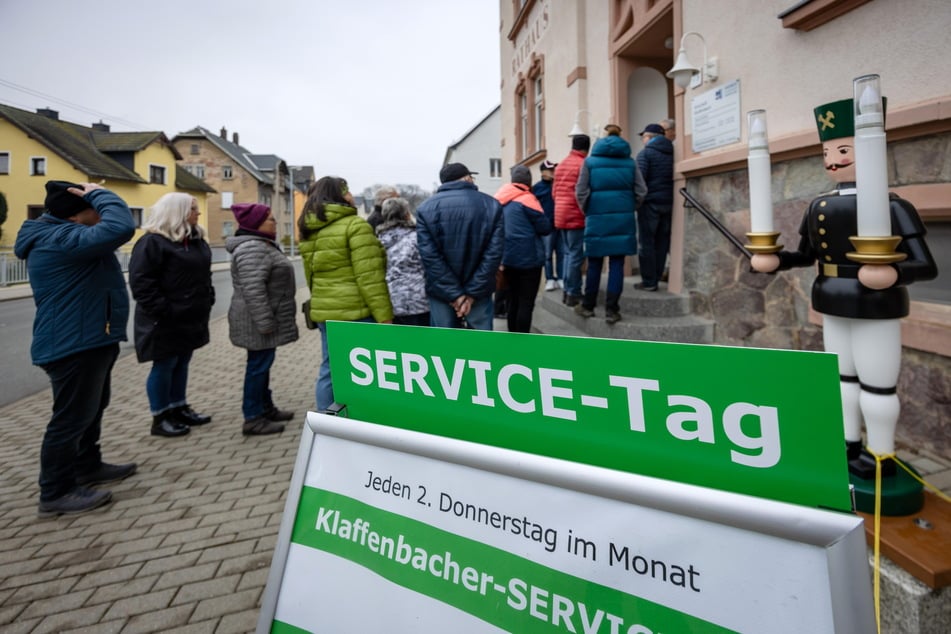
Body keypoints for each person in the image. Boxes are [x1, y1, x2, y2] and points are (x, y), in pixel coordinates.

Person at [751, 96, 937, 481]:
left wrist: (894, 274)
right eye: (826, 151)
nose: (833, 159)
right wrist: (775, 259)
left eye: (843, 149)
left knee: (878, 384)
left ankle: (881, 453)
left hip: (876, 304)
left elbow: (925, 264)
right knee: (843, 378)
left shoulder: (893, 206)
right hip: (832, 299)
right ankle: (848, 442)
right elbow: (806, 255)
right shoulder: (819, 205)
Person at [14, 181, 137, 517]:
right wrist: (99, 192)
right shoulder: (59, 239)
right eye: (93, 206)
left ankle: (87, 465)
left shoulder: (69, 234)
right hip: (72, 343)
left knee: (92, 409)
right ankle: (55, 492)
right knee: (70, 419)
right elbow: (122, 226)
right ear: (76, 213)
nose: (99, 212)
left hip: (92, 337)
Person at [299, 176, 393, 412]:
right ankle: (367, 418)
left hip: (325, 312)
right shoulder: (355, 226)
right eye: (347, 190)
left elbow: (310, 276)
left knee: (330, 367)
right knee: (368, 369)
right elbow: (369, 277)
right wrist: (385, 317)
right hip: (357, 313)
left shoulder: (308, 230)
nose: (352, 195)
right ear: (339, 195)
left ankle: (326, 424)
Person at [129, 193, 214, 438]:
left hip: (190, 316)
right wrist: (165, 310)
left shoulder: (195, 240)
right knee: (164, 364)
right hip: (164, 319)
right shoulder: (152, 243)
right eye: (193, 209)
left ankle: (179, 406)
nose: (198, 213)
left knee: (182, 361)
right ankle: (161, 416)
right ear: (177, 213)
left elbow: (203, 275)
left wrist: (208, 297)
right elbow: (142, 284)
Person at [226, 203, 299, 435]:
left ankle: (265, 408)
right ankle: (253, 417)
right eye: (270, 219)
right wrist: (265, 323)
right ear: (255, 224)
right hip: (256, 321)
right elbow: (254, 291)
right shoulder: (252, 249)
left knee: (262, 365)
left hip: (260, 319)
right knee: (257, 367)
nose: (275, 222)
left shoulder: (261, 245)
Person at [416, 162, 504, 330]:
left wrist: (456, 295)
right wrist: (469, 295)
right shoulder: (491, 205)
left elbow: (430, 257)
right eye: (472, 177)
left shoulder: (425, 209)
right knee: (482, 350)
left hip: (441, 292)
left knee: (444, 350)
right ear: (466, 178)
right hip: (479, 291)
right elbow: (493, 254)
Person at [574, 124, 647, 324]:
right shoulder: (630, 163)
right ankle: (612, 310)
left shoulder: (590, 162)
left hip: (596, 218)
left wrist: (588, 210)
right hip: (622, 219)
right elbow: (641, 191)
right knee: (617, 264)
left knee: (595, 263)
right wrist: (629, 207)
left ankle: (588, 306)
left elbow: (580, 191)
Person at [495, 165, 552, 333]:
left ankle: (512, 338)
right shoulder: (528, 199)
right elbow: (545, 227)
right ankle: (524, 343)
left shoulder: (499, 199)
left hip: (507, 259)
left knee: (512, 300)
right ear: (528, 181)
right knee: (526, 303)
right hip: (530, 260)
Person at [376, 197, 429, 326]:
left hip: (392, 300)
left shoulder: (377, 240)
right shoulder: (417, 238)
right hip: (419, 301)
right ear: (406, 214)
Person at [635, 122, 675, 291]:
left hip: (650, 204)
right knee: (661, 243)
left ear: (649, 137)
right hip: (667, 202)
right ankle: (657, 276)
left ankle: (649, 281)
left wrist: (637, 202)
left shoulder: (645, 154)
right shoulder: (673, 152)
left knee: (646, 243)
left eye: (643, 137)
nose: (642, 140)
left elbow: (640, 181)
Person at [553, 135, 591, 307]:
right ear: (587, 148)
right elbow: (583, 191)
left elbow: (554, 193)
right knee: (576, 255)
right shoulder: (583, 164)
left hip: (561, 214)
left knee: (568, 253)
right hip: (575, 214)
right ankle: (573, 293)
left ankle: (567, 290)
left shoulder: (561, 164)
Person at [532, 159, 562, 291]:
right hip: (546, 228)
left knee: (561, 253)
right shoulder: (537, 188)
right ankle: (550, 278)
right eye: (550, 170)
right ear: (543, 172)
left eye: (554, 169)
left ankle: (561, 278)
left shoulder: (558, 185)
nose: (553, 172)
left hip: (560, 224)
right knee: (548, 255)